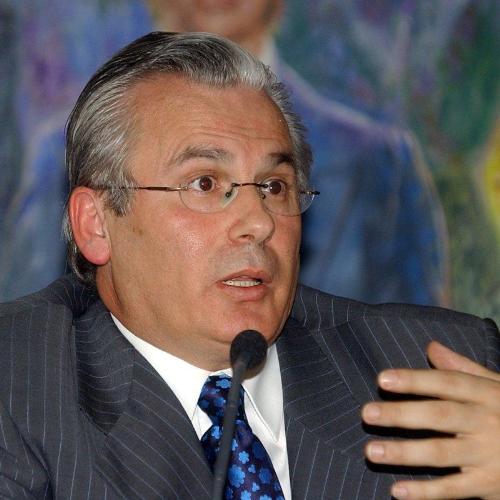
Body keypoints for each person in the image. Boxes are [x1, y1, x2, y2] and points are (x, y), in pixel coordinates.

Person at [0, 32, 499, 500]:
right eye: (205, 184)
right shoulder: (18, 388)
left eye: (274, 187)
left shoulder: (441, 368)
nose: (259, 222)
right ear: (96, 225)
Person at [146, 0, 449, 306]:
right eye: (204, 183)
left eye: (276, 187)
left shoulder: (377, 159)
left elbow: (415, 326)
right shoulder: (114, 136)